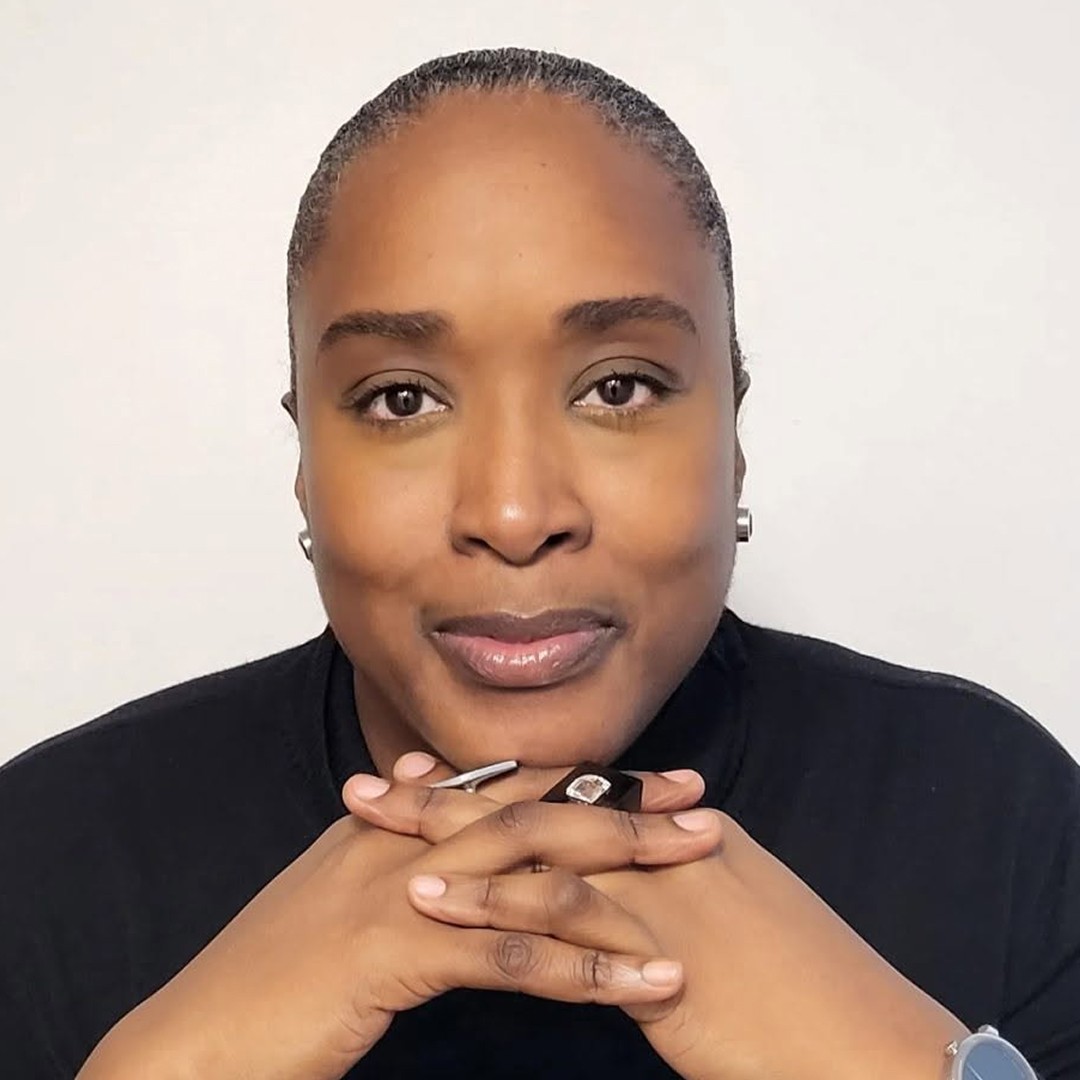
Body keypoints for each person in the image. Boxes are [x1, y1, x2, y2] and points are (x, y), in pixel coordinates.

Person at [1, 47, 1076, 1080]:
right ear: (304, 464)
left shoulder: (1004, 824)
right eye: (400, 400)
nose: (514, 516)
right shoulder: (48, 863)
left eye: (619, 387)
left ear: (733, 437)